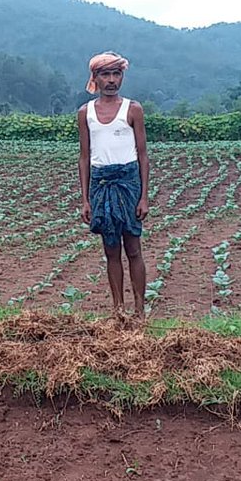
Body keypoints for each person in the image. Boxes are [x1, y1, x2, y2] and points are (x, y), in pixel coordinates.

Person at [77, 51, 150, 320]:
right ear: (95, 78)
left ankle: (139, 311)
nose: (111, 80)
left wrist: (144, 197)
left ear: (122, 77)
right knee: (111, 250)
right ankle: (118, 310)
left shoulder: (133, 109)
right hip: (101, 184)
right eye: (105, 74)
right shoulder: (85, 113)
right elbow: (84, 157)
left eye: (116, 74)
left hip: (128, 183)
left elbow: (143, 155)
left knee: (133, 248)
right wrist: (85, 199)